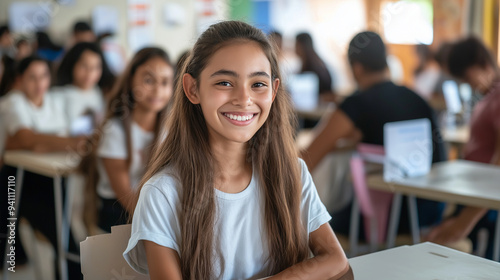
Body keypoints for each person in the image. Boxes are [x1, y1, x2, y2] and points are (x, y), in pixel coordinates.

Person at [123, 21, 353, 280]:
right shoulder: (162, 193)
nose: (244, 99)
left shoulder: (293, 173)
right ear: (193, 89)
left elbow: (336, 260)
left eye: (258, 84)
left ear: (274, 90)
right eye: (224, 82)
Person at [303, 31, 446, 237]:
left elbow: (308, 158)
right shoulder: (416, 98)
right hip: (430, 212)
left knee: (317, 221)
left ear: (356, 68)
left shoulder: (357, 103)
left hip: (385, 220)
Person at [0, 56, 85, 279]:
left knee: (64, 238)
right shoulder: (12, 102)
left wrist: (42, 142)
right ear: (20, 80)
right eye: (32, 78)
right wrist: (69, 142)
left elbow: (34, 140)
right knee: (63, 240)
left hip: (53, 178)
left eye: (44, 76)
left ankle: (65, 273)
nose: (39, 84)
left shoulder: (53, 102)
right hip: (18, 183)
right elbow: (25, 138)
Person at [79, 47, 174, 233]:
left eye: (165, 82)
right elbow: (127, 198)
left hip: (153, 215)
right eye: (148, 80)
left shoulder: (169, 131)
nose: (157, 89)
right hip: (119, 218)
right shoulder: (115, 131)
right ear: (131, 80)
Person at [427, 37, 500, 260]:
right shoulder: (490, 95)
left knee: (439, 243)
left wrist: (465, 221)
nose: (470, 86)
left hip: (486, 202)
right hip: (478, 195)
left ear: (482, 64)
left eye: (468, 78)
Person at [54, 42, 115, 135]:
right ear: (72, 64)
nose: (90, 73)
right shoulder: (59, 95)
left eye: (96, 67)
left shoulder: (99, 91)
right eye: (84, 66)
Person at [295, 32, 334, 99]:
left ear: (301, 45)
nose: (294, 48)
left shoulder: (314, 67)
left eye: (296, 44)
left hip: (318, 107)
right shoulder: (315, 62)